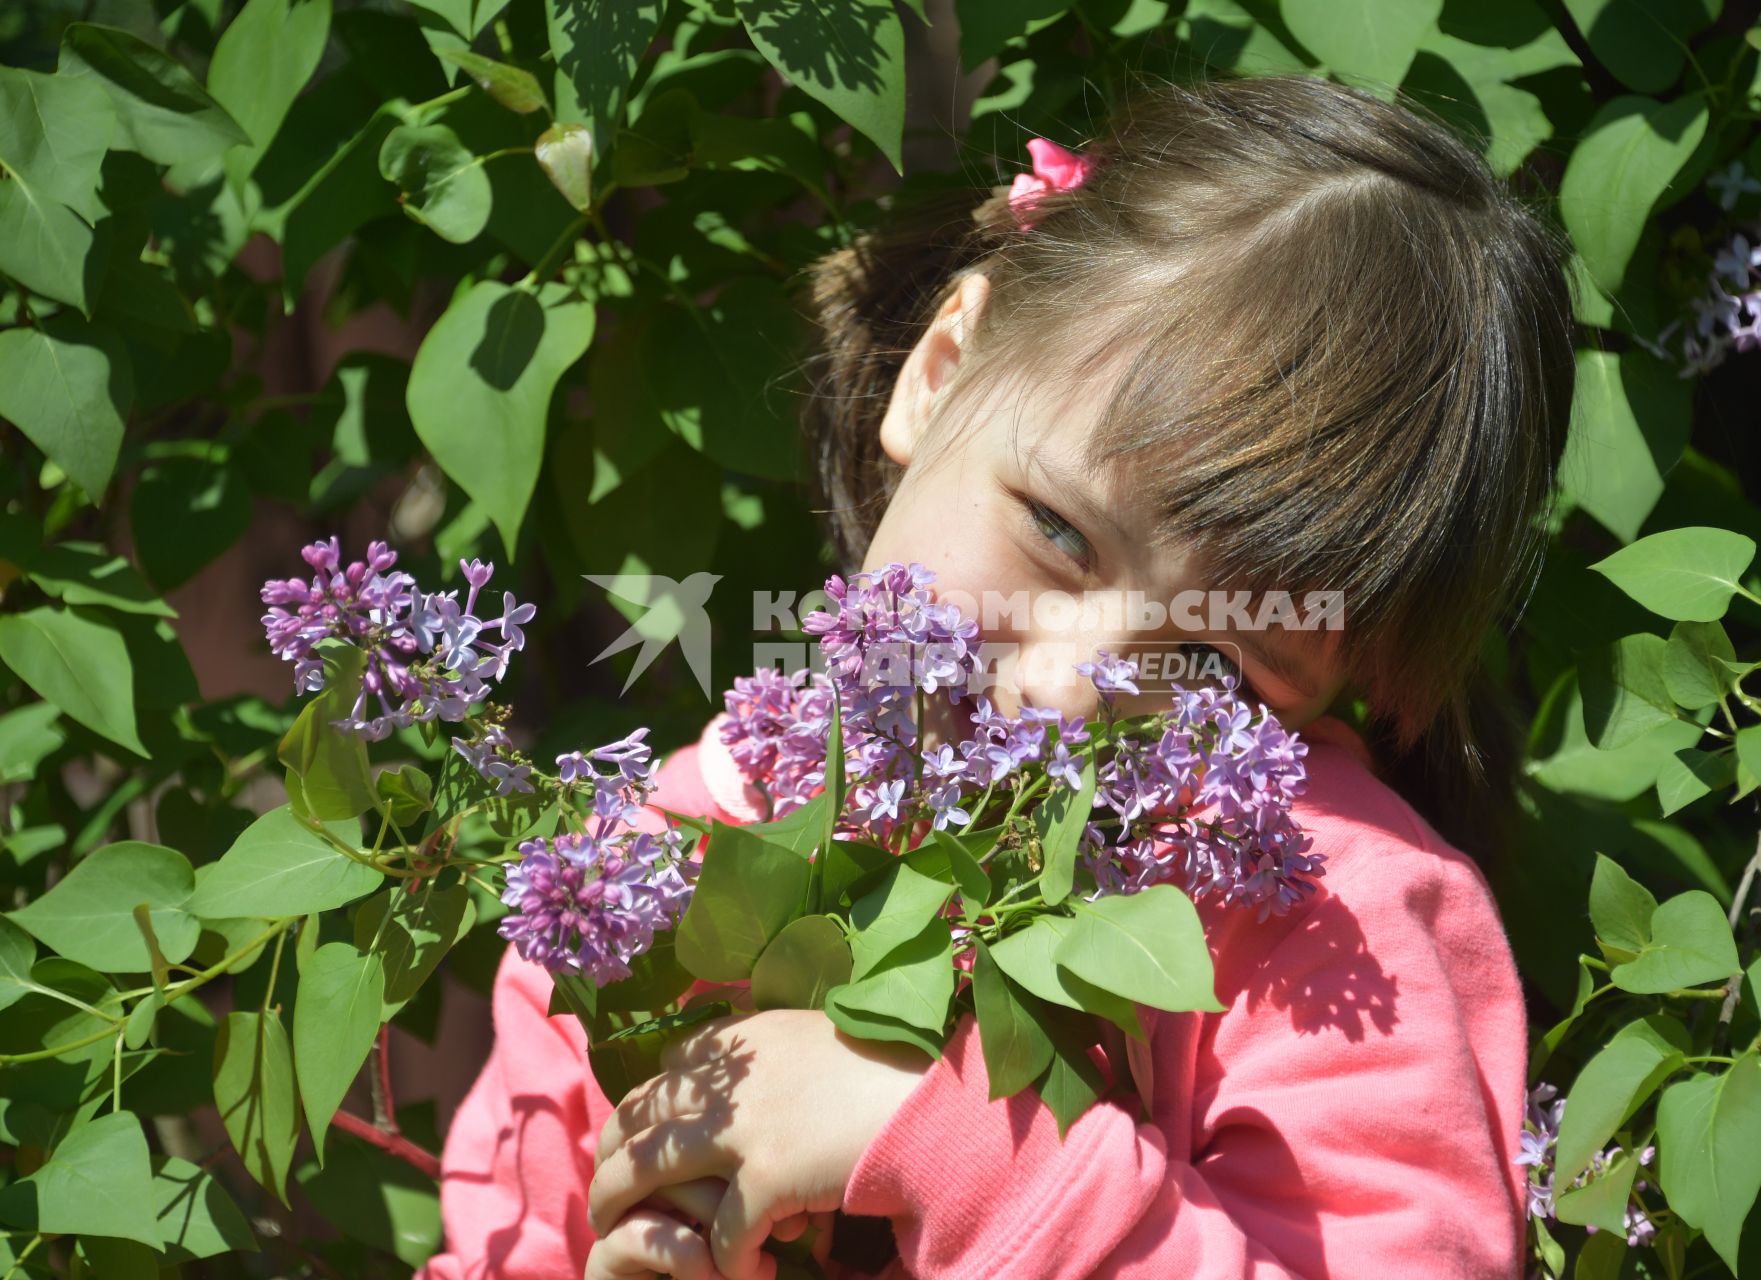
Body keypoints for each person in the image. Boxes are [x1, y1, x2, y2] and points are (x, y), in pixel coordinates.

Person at [419, 72, 1574, 1280]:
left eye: (1217, 666)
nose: (1078, 686)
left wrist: (947, 1142)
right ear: (941, 367)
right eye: (1061, 533)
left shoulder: (1335, 928)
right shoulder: (662, 852)